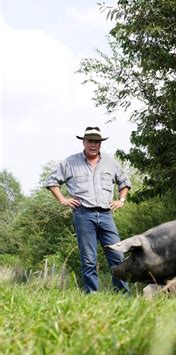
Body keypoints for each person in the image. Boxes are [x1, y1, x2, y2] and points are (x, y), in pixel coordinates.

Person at [45, 126, 132, 294]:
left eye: (97, 141)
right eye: (90, 141)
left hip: (106, 215)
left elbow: (125, 182)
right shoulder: (70, 162)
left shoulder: (110, 162)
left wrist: (121, 200)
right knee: (89, 259)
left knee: (118, 256)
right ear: (83, 142)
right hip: (83, 215)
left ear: (100, 143)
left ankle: (123, 295)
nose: (93, 144)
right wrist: (63, 199)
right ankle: (92, 296)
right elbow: (51, 181)